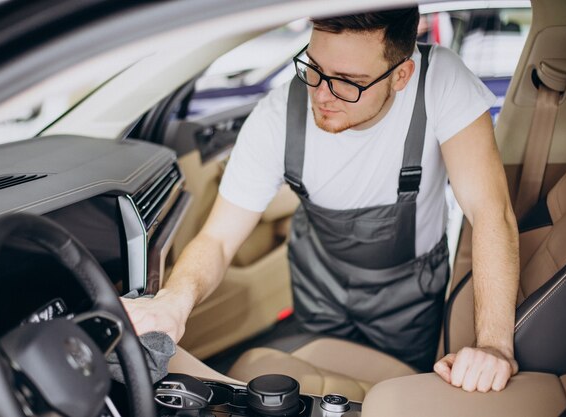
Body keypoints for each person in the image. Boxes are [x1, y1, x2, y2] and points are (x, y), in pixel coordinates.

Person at [124, 7, 520, 393]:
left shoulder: (441, 81)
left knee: (398, 388)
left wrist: (493, 344)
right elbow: (219, 239)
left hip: (407, 295)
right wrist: (173, 301)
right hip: (319, 286)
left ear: (401, 75)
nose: (321, 94)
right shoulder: (276, 114)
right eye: (314, 69)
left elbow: (489, 212)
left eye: (348, 81)